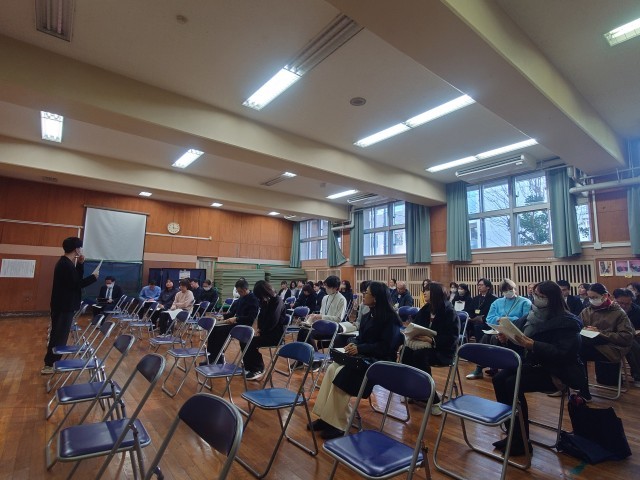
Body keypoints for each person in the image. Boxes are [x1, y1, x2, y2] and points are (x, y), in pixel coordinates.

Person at [491, 281, 586, 456]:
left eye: (541, 296)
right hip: (534, 364)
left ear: (553, 298)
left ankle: (521, 440)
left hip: (556, 371)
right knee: (498, 379)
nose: (537, 299)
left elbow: (564, 354)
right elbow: (520, 340)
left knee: (512, 383)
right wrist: (507, 338)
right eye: (536, 295)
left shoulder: (567, 322)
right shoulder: (532, 315)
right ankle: (513, 431)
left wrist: (534, 345)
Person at [309, 281, 403, 439]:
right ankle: (325, 417)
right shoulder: (367, 315)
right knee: (332, 368)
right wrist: (354, 344)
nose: (363, 295)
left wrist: (360, 349)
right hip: (364, 357)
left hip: (379, 362)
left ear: (376, 298)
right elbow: (361, 338)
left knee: (343, 374)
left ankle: (338, 424)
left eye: (367, 293)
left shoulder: (391, 319)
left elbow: (385, 347)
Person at [400, 281, 459, 415]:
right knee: (405, 352)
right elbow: (415, 326)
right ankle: (413, 390)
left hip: (442, 350)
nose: (424, 292)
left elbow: (452, 338)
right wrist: (411, 333)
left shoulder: (449, 311)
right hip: (424, 346)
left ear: (436, 293)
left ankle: (434, 399)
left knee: (419, 356)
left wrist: (432, 340)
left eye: (427, 290)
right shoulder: (426, 309)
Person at [42, 237, 98, 374]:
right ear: (76, 249)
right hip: (63, 306)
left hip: (64, 305)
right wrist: (93, 278)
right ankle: (50, 364)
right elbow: (76, 284)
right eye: (80, 247)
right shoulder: (65, 265)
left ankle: (53, 363)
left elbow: (75, 279)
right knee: (59, 335)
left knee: (60, 334)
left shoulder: (67, 263)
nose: (81, 250)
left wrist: (80, 264)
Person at [577, 283, 634, 399]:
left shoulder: (618, 313)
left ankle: (583, 391)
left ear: (604, 296)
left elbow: (626, 337)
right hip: (591, 344)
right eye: (590, 297)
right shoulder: (586, 311)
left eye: (595, 297)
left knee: (579, 352)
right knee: (575, 348)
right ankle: (578, 388)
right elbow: (577, 326)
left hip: (612, 348)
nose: (592, 300)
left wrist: (600, 332)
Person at [467, 279, 531, 380]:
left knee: (494, 338)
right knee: (486, 336)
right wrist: (500, 319)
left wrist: (505, 319)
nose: (508, 292)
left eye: (510, 289)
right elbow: (489, 318)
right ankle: (479, 369)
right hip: (498, 329)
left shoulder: (525, 302)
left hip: (516, 332)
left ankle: (496, 367)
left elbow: (524, 319)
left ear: (515, 289)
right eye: (505, 290)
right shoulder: (497, 302)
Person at [204, 278, 259, 364]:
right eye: (238, 291)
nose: (239, 293)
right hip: (236, 322)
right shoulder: (241, 297)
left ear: (245, 289)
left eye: (240, 291)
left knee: (220, 331)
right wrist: (223, 316)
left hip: (244, 326)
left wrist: (236, 319)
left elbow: (251, 318)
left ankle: (218, 358)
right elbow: (233, 312)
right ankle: (211, 356)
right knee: (213, 329)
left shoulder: (253, 299)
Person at [243, 280, 287, 381]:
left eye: (260, 296)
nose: (260, 298)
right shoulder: (265, 301)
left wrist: (261, 331)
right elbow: (261, 317)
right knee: (244, 340)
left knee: (251, 342)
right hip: (265, 332)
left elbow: (273, 321)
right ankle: (249, 367)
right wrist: (259, 329)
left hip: (275, 335)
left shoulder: (277, 301)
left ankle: (258, 368)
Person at [464, 278, 498, 377]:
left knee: (481, 329)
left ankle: (492, 366)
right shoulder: (476, 298)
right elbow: (469, 310)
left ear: (488, 287)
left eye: (481, 285)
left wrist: (482, 318)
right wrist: (473, 317)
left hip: (487, 323)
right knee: (471, 326)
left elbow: (492, 314)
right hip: (475, 322)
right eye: (478, 285)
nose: (479, 286)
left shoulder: (493, 299)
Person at [612, 288, 640, 387]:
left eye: (627, 304)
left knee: (631, 343)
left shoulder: (636, 310)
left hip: (632, 336)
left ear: (631, 301)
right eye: (621, 303)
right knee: (631, 344)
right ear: (614, 299)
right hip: (612, 337)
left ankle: (637, 374)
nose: (624, 306)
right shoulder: (608, 309)